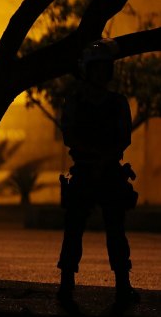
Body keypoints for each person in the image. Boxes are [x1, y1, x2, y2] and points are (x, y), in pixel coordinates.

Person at [57, 38, 140, 307]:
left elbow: (123, 137)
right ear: (88, 71)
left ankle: (123, 286)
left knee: (116, 232)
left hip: (109, 172)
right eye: (96, 69)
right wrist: (94, 159)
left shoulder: (117, 102)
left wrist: (104, 160)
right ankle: (66, 285)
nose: (100, 74)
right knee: (73, 231)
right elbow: (69, 135)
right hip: (83, 171)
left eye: (104, 69)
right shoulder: (75, 102)